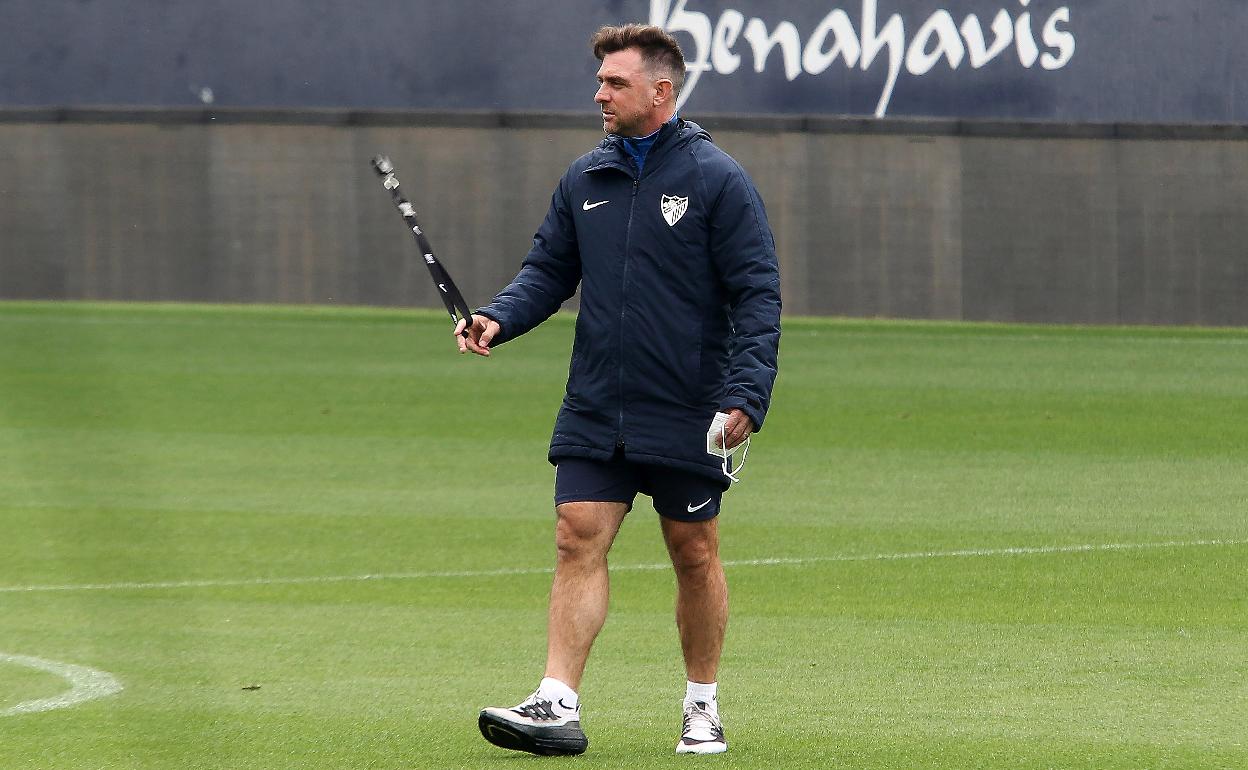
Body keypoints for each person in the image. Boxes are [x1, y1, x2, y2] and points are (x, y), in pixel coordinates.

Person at [460, 23, 781, 757]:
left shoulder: (717, 179)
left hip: (689, 407)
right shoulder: (585, 178)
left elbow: (759, 294)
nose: (599, 93)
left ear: (661, 91)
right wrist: (498, 317)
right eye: (600, 81)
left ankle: (702, 705)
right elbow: (548, 271)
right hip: (599, 401)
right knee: (577, 534)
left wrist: (746, 396)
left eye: (615, 82)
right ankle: (556, 702)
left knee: (692, 550)